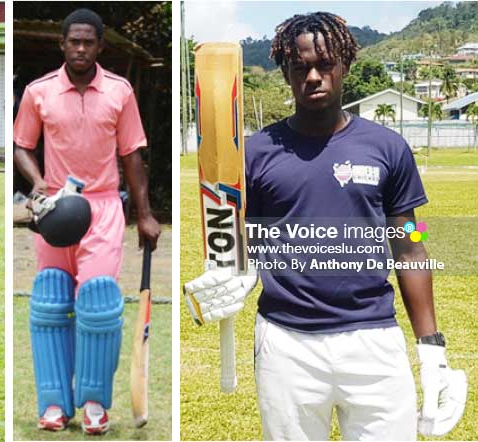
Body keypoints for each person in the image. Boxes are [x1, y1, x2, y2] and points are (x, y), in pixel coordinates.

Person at [185, 12, 467, 440]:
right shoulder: (256, 153)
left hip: (374, 339)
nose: (314, 77)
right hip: (286, 343)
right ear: (286, 73)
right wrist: (235, 270)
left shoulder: (387, 147)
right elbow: (241, 240)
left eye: (325, 65)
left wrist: (432, 350)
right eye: (300, 68)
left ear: (345, 65)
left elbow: (410, 246)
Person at [13, 8, 161, 435]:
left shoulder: (119, 91)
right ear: (62, 45)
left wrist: (146, 215)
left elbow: (132, 157)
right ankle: (55, 404)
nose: (80, 48)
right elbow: (23, 145)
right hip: (57, 210)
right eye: (73, 41)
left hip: (101, 209)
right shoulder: (40, 91)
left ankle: (94, 403)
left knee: (97, 303)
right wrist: (38, 181)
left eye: (88, 42)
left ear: (99, 46)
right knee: (51, 303)